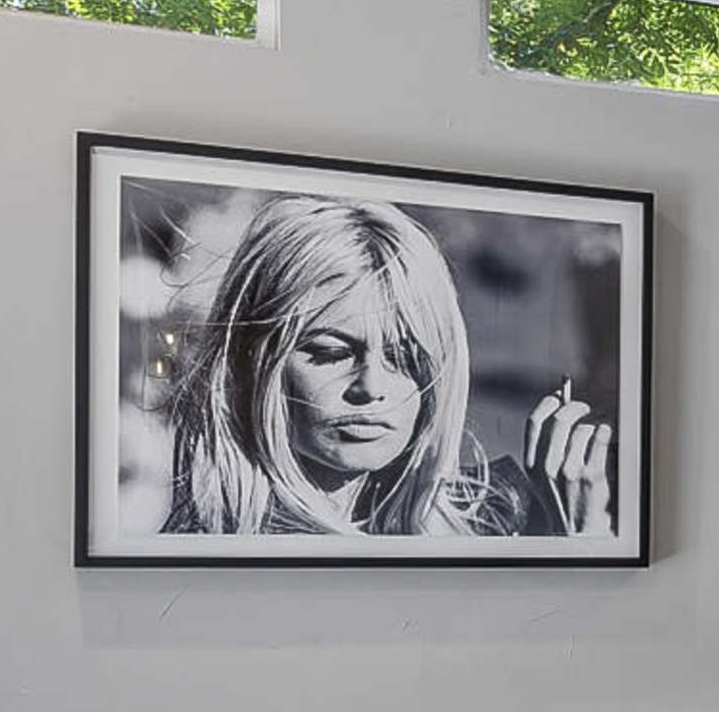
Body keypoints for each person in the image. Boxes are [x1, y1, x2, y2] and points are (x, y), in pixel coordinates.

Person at [157, 193, 614, 539]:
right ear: (251, 360)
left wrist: (581, 544)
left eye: (404, 357)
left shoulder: (497, 519)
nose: (371, 386)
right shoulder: (207, 551)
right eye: (331, 353)